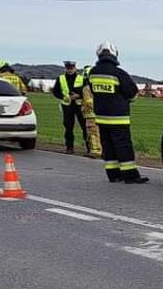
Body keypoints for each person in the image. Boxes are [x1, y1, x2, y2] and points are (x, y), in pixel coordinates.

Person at [86, 42, 147, 183]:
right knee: (123, 145)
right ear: (114, 54)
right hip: (118, 117)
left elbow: (92, 90)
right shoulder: (119, 73)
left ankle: (113, 174)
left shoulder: (93, 73)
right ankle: (130, 175)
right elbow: (132, 94)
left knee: (108, 146)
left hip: (101, 117)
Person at [50, 61, 91, 155]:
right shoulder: (60, 78)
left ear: (75, 68)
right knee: (68, 127)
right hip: (67, 105)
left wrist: (78, 95)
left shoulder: (81, 78)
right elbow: (56, 91)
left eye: (71, 68)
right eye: (68, 68)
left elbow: (86, 90)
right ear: (65, 68)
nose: (70, 70)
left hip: (79, 105)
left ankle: (89, 148)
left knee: (85, 127)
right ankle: (69, 148)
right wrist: (64, 97)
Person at [80, 64, 102, 158]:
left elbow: (88, 102)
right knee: (101, 134)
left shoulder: (86, 88)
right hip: (102, 115)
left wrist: (83, 108)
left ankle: (95, 151)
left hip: (90, 115)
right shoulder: (100, 87)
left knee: (92, 134)